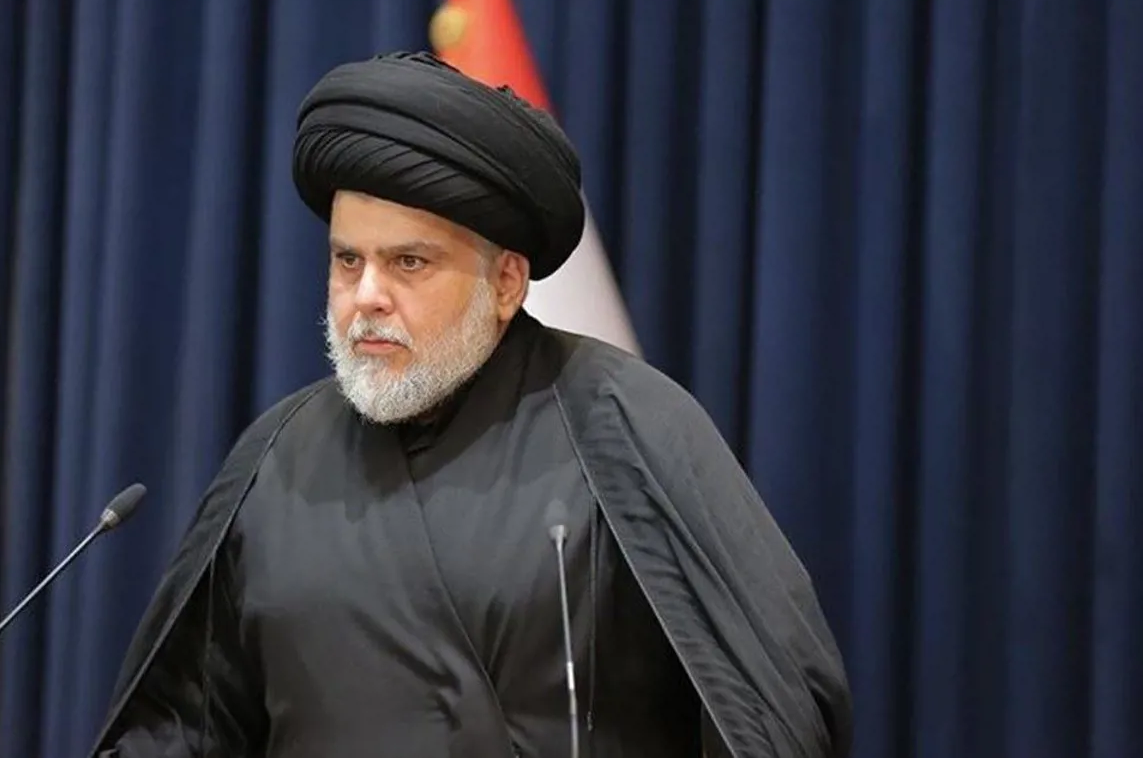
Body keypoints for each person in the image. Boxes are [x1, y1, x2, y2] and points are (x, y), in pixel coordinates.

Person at [88, 51, 852, 758]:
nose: (365, 296)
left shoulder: (627, 426)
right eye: (347, 260)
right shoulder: (273, 458)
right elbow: (180, 728)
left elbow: (774, 713)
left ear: (507, 282)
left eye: (407, 262)